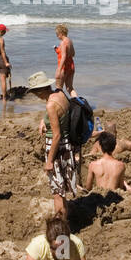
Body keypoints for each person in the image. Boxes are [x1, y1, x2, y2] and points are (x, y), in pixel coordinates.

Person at [26, 71, 80, 217]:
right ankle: (65, 221)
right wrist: (44, 120)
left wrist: (49, 161)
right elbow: (58, 114)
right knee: (62, 189)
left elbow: (56, 135)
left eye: (35, 92)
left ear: (39, 90)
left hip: (56, 148)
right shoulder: (59, 94)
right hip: (67, 146)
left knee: (57, 192)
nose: (35, 95)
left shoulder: (51, 105)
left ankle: (61, 226)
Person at [54, 25, 75, 91]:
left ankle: (60, 101)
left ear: (61, 33)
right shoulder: (70, 41)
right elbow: (73, 54)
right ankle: (77, 101)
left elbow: (63, 57)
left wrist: (59, 70)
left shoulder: (63, 43)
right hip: (71, 66)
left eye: (57, 34)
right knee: (69, 88)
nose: (57, 36)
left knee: (58, 87)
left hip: (64, 68)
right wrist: (58, 51)